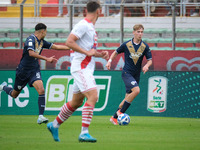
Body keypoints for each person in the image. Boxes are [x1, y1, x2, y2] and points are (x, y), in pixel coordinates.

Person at [47, 1, 109, 143]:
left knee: (76, 102)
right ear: (99, 11)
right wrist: (87, 52)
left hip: (85, 66)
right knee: (93, 95)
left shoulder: (91, 27)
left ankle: (54, 125)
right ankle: (84, 133)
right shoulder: (83, 25)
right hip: (80, 67)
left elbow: (89, 50)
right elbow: (69, 42)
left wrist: (100, 54)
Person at [0, 23, 70, 124]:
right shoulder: (30, 39)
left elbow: (56, 47)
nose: (46, 33)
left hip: (34, 70)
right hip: (23, 71)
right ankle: (3, 87)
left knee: (41, 90)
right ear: (42, 31)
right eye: (46, 31)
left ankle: (41, 116)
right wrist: (46, 59)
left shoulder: (41, 42)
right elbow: (31, 53)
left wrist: (71, 47)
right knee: (14, 94)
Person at [106, 24, 152, 125]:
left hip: (136, 74)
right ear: (134, 32)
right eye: (138, 32)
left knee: (128, 98)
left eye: (141, 32)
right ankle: (120, 112)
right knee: (137, 90)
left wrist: (147, 66)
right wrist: (109, 61)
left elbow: (150, 60)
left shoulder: (144, 46)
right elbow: (116, 52)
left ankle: (114, 117)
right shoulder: (127, 44)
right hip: (127, 73)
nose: (140, 34)